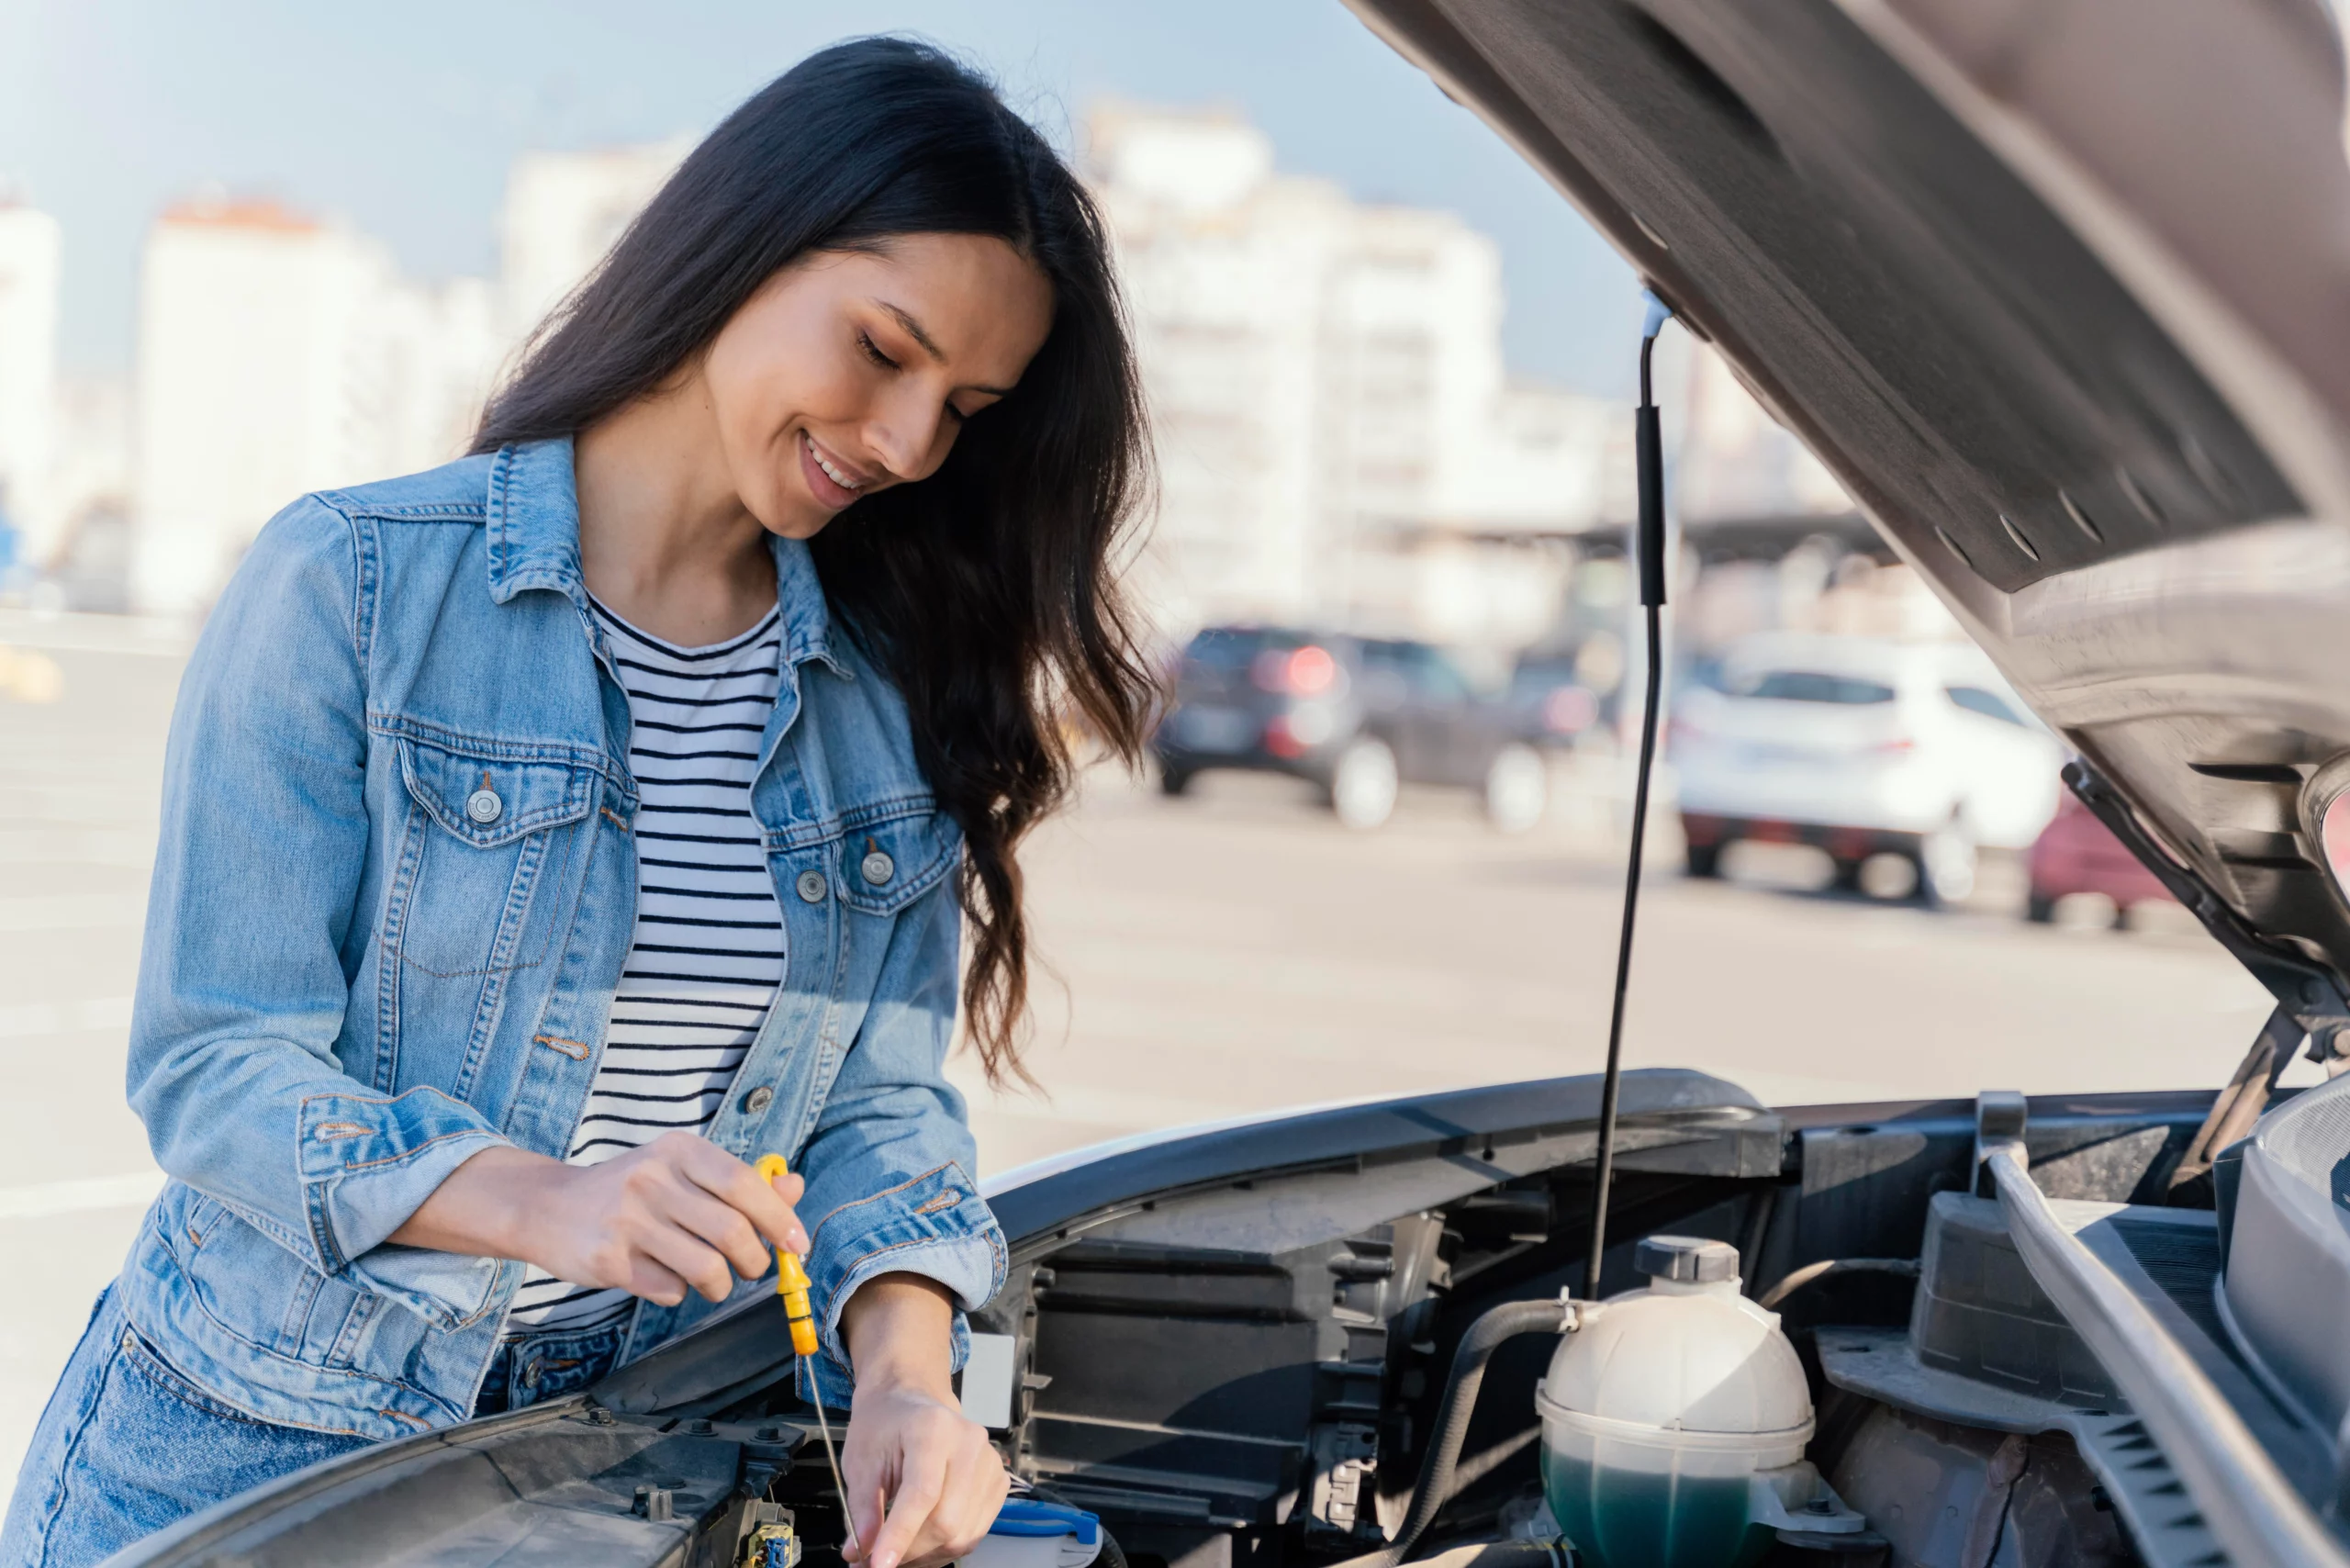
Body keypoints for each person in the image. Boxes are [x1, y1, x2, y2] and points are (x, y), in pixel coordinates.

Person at [1, 37, 1153, 1568]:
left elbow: (879, 1106)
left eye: (966, 407)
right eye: (883, 350)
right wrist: (538, 1199)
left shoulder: (883, 699)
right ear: (749, 241)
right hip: (254, 1451)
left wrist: (908, 1383)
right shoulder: (354, 584)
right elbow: (217, 1064)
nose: (903, 442)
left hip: (620, 1465)